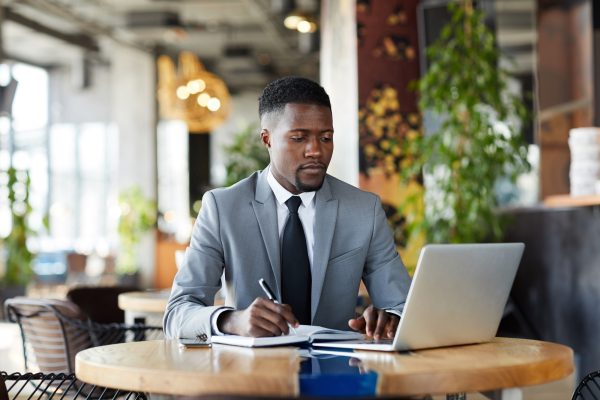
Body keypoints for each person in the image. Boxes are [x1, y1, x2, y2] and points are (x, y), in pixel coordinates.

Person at [164, 76, 411, 341]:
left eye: (326, 137)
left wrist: (392, 319)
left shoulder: (364, 210)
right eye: (298, 138)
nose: (315, 150)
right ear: (267, 139)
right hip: (250, 375)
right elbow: (177, 313)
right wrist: (232, 320)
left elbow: (404, 306)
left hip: (337, 373)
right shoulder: (222, 209)